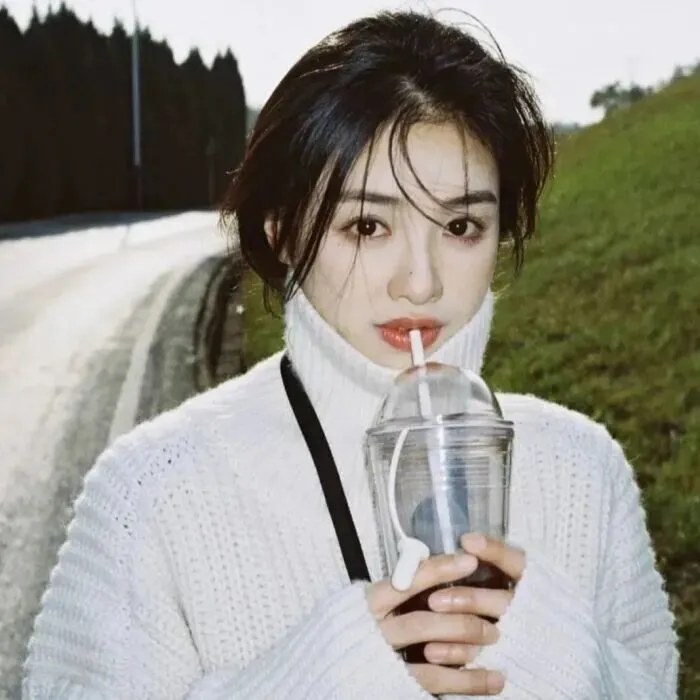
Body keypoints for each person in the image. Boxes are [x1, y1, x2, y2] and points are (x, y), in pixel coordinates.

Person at [23, 10, 678, 700]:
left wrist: (568, 663)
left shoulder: (583, 470)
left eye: (461, 225)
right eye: (367, 225)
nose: (420, 282)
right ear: (281, 232)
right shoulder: (151, 493)